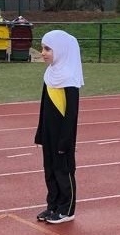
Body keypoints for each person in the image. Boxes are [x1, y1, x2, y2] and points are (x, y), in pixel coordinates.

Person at [34, 30, 84, 224]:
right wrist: (40, 133)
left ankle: (67, 209)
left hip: (63, 137)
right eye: (42, 48)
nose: (43, 52)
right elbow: (43, 106)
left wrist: (65, 140)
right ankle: (53, 205)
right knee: (50, 170)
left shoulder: (70, 79)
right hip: (48, 134)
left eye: (48, 49)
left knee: (64, 171)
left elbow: (71, 114)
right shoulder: (50, 75)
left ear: (61, 51)